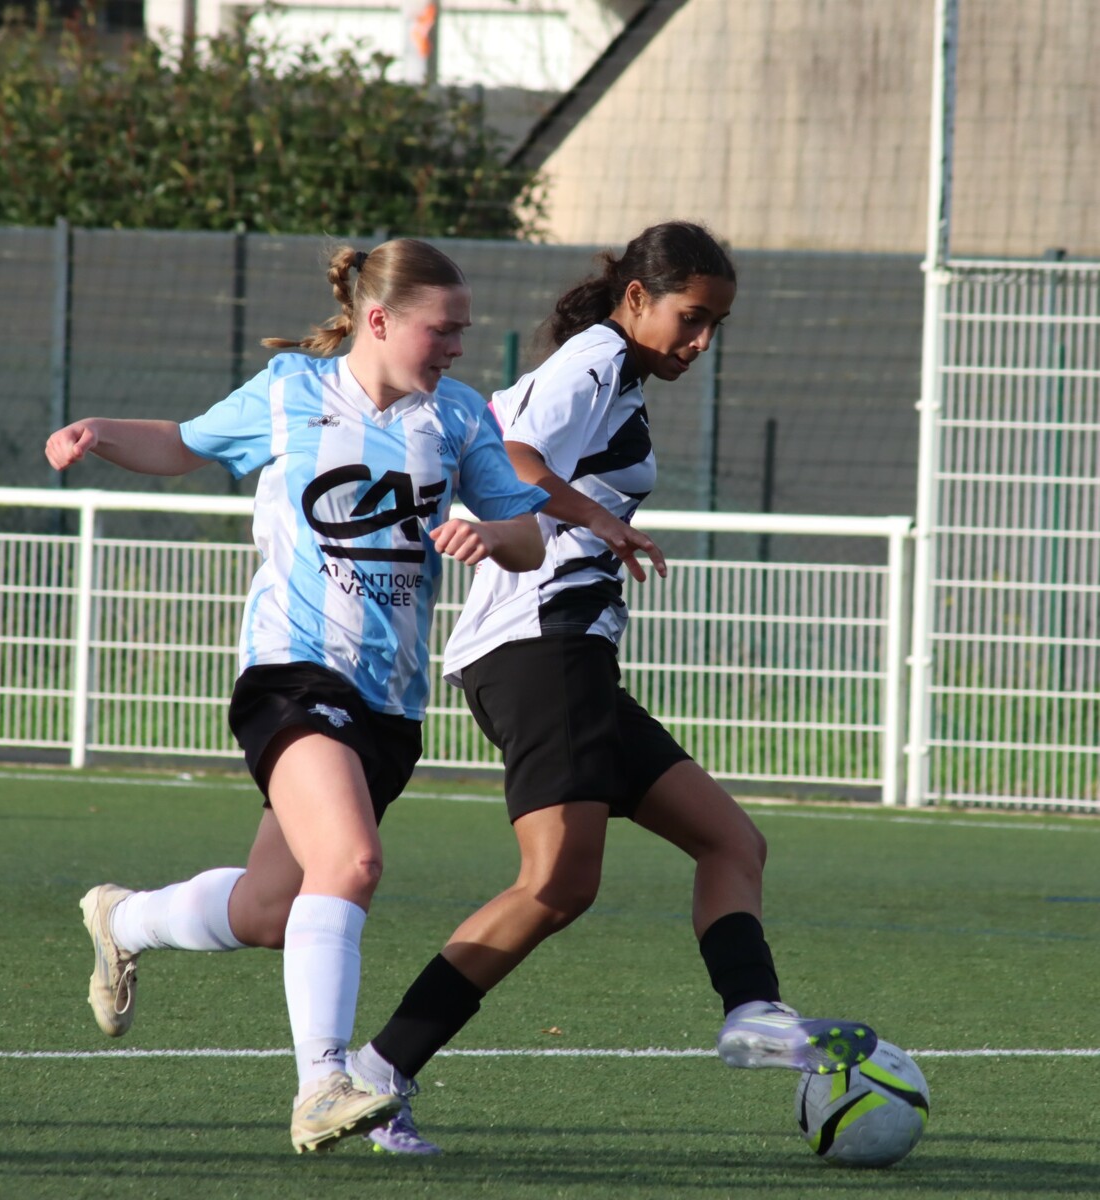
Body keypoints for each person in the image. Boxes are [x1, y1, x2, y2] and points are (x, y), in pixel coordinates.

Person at [344, 221, 878, 1155]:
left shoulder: (613, 372)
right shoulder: (595, 360)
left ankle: (753, 1013)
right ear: (637, 299)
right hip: (539, 648)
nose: (701, 341)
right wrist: (598, 518)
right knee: (555, 883)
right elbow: (507, 451)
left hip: (567, 654)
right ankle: (377, 1071)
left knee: (731, 841)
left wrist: (589, 518)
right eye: (691, 317)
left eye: (715, 325)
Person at [44, 238, 548, 1155]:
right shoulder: (290, 391)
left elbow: (528, 537)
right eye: (443, 330)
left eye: (463, 332)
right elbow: (185, 443)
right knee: (351, 863)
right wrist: (100, 433)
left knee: (272, 911)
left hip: (389, 704)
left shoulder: (458, 416)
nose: (456, 347)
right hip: (291, 672)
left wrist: (489, 535)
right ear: (379, 320)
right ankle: (323, 1084)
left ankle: (125, 917)